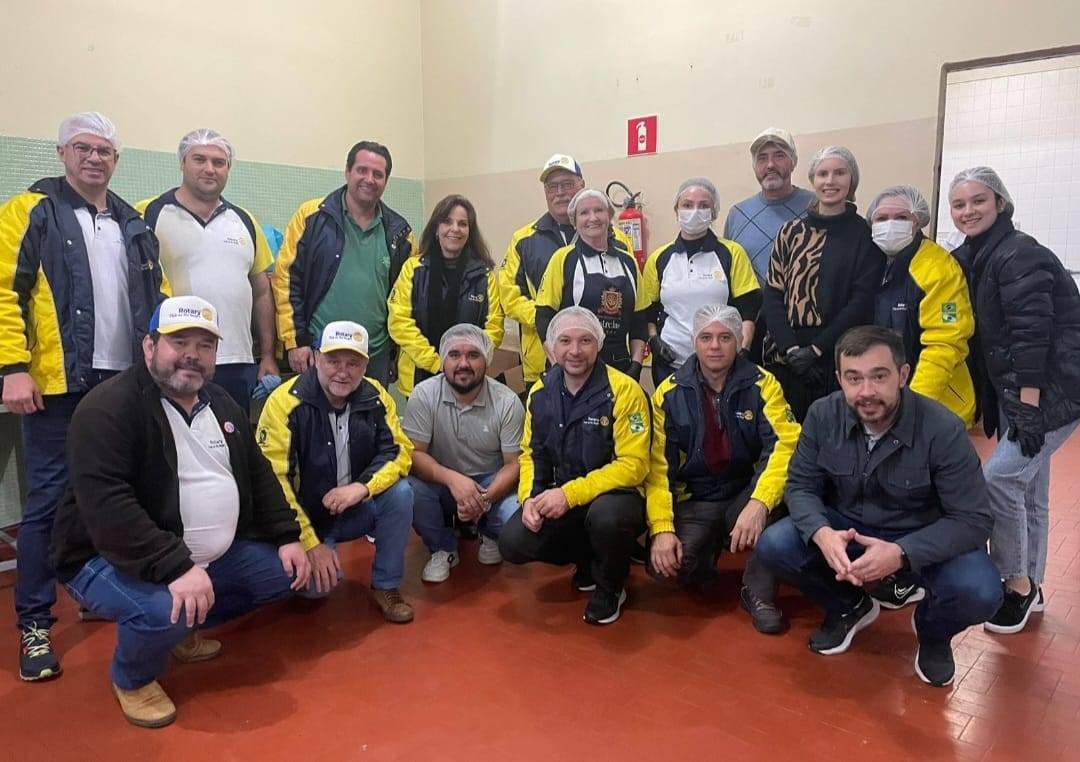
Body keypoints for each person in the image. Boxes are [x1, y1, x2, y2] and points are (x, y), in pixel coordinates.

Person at [49, 296, 310, 727]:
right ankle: (132, 678)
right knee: (160, 612)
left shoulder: (221, 403)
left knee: (286, 575)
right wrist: (176, 568)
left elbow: (258, 472)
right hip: (101, 557)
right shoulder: (107, 409)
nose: (192, 354)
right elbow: (110, 507)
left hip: (198, 558)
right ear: (149, 346)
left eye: (205, 345)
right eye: (179, 341)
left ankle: (182, 627)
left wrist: (287, 536)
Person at [0, 112, 169, 681]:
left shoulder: (133, 223)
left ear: (116, 159)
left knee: (118, 494)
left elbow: (157, 299)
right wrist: (13, 368)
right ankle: (34, 623)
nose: (94, 158)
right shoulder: (31, 211)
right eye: (82, 147)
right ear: (62, 153)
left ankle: (99, 592)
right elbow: (4, 291)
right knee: (49, 502)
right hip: (57, 385)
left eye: (104, 150)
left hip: (126, 383)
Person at [755, 326, 1002, 687]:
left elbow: (973, 519)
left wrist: (902, 553)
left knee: (980, 590)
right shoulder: (822, 416)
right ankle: (849, 606)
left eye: (879, 376)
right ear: (839, 379)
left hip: (922, 539)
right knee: (775, 544)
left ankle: (933, 632)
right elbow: (801, 485)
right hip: (850, 529)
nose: (866, 391)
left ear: (903, 375)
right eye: (854, 378)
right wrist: (822, 533)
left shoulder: (942, 429)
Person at [948, 167, 1080, 634]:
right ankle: (1034, 586)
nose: (968, 211)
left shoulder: (1018, 253)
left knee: (1001, 479)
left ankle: (1016, 584)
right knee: (1029, 486)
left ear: (1000, 203)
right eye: (959, 204)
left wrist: (1028, 407)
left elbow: (1032, 335)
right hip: (1016, 391)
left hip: (1052, 391)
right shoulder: (974, 255)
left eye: (978, 201)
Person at [647, 305, 800, 633]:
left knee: (782, 504)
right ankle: (706, 553)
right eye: (706, 337)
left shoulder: (764, 385)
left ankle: (758, 591)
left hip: (746, 490)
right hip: (697, 497)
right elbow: (658, 468)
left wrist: (760, 501)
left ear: (739, 340)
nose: (715, 346)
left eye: (725, 337)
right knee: (668, 568)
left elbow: (786, 445)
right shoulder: (668, 393)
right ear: (694, 342)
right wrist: (661, 528)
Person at [499, 307, 650, 625]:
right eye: (565, 341)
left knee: (607, 518)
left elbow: (634, 465)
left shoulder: (625, 391)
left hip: (617, 498)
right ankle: (589, 560)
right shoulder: (540, 392)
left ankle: (611, 585)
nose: (575, 351)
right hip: (566, 497)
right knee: (513, 541)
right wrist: (529, 498)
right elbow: (532, 454)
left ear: (599, 344)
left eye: (585, 341)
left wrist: (569, 494)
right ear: (551, 347)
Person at [256, 321, 416, 622]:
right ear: (316, 358)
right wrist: (309, 542)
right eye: (333, 361)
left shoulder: (376, 396)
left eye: (353, 363)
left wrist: (362, 488)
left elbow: (399, 451)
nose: (343, 372)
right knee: (316, 588)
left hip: (354, 506)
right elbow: (275, 481)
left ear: (365, 365)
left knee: (402, 493)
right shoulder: (284, 402)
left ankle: (386, 585)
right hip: (307, 517)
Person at [138, 129, 279, 410]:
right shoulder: (149, 213)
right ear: (182, 163)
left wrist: (267, 355)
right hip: (176, 361)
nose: (210, 169)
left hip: (237, 361)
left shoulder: (244, 220)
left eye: (219, 162)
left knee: (232, 434)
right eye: (199, 159)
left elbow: (262, 291)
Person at [273, 140, 417, 386]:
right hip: (320, 353)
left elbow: (407, 302)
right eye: (362, 170)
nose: (369, 179)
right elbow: (286, 279)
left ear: (386, 181)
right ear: (348, 171)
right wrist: (295, 341)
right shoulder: (311, 217)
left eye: (378, 174)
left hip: (375, 356)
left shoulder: (401, 234)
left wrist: (396, 355)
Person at [760, 145, 885, 421]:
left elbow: (861, 302)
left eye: (839, 173)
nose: (830, 181)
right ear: (813, 180)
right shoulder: (790, 232)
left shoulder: (865, 235)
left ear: (852, 180)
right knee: (786, 436)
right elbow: (773, 295)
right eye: (822, 174)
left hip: (836, 357)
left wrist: (816, 350)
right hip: (785, 357)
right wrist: (791, 350)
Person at [499, 154, 635, 391]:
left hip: (608, 362)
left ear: (582, 185)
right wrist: (560, 323)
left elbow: (631, 298)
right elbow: (510, 297)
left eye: (567, 184)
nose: (560, 193)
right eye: (552, 187)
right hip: (542, 362)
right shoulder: (523, 240)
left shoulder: (618, 240)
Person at [402, 324, 525, 582]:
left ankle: (488, 533)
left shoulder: (507, 401)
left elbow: (514, 464)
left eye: (473, 355)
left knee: (515, 515)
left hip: (490, 486)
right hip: (441, 483)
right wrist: (453, 480)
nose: (463, 364)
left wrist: (483, 500)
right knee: (406, 491)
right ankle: (442, 547)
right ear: (442, 361)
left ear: (487, 360)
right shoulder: (423, 395)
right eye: (454, 355)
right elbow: (414, 455)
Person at [869, 185, 975, 428]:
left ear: (917, 222)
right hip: (885, 401)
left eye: (901, 218)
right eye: (882, 218)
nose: (890, 225)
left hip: (936, 404)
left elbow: (946, 342)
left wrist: (912, 404)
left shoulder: (938, 267)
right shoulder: (875, 263)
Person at [641, 178, 761, 385]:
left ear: (714, 212)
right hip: (670, 363)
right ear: (676, 210)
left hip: (721, 365)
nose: (695, 211)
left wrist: (742, 351)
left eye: (703, 205)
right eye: (687, 205)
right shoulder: (659, 258)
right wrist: (654, 341)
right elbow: (648, 311)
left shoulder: (732, 253)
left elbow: (748, 311)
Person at [388, 194, 503, 396]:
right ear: (436, 228)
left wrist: (464, 362)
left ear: (470, 231)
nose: (455, 229)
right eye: (447, 221)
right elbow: (399, 322)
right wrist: (437, 363)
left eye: (463, 224)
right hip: (418, 380)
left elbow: (494, 328)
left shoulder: (485, 276)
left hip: (467, 379)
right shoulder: (412, 269)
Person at [534, 189, 648, 377]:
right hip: (573, 367)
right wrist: (559, 365)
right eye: (584, 213)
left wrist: (636, 365)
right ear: (575, 221)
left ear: (609, 216)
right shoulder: (563, 259)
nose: (592, 218)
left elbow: (639, 321)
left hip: (620, 369)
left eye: (599, 210)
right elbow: (544, 317)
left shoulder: (629, 262)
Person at [723, 127, 816, 283]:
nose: (770, 165)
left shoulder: (815, 205)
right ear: (754, 167)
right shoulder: (737, 214)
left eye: (779, 156)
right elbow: (728, 270)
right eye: (762, 158)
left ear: (793, 162)